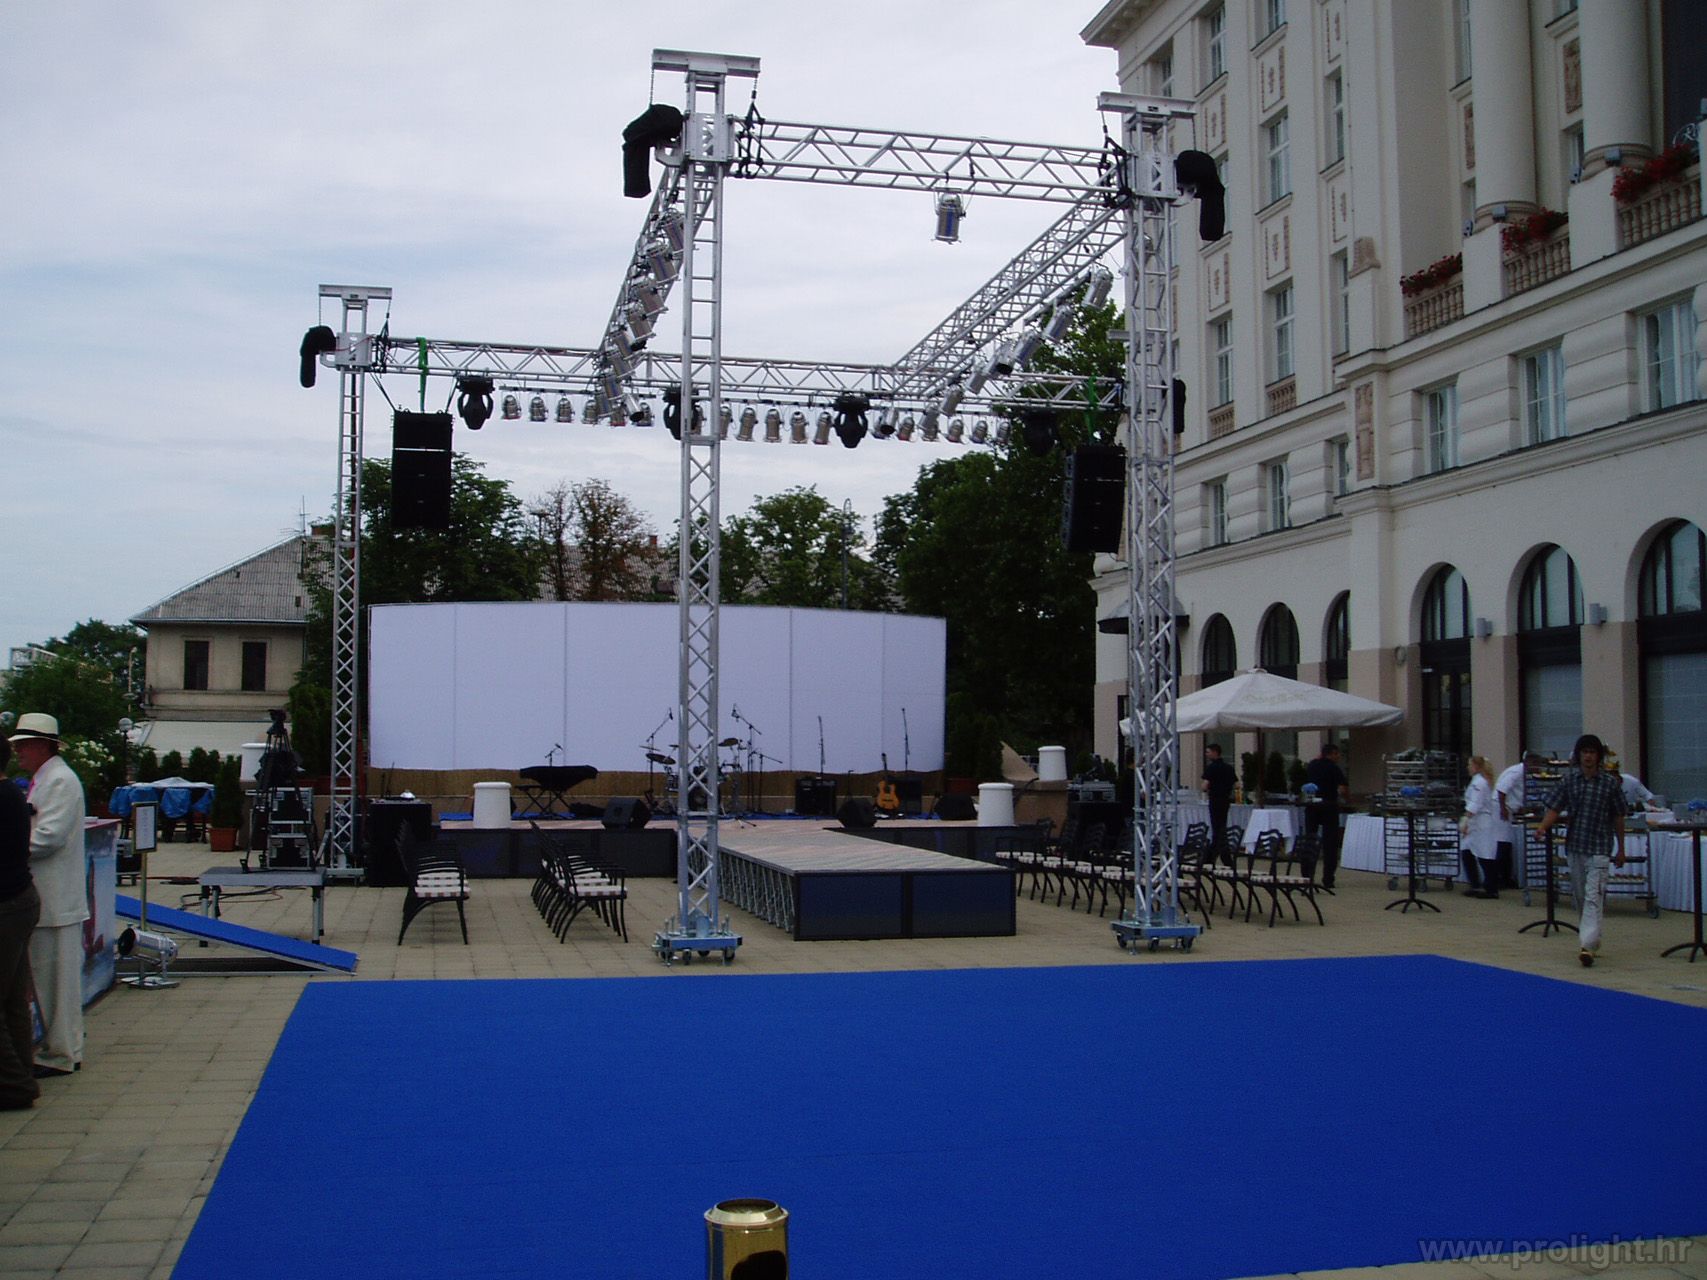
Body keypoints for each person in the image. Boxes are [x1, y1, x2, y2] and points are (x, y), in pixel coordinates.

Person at [11, 714, 87, 1077]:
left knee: (56, 985)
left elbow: (49, 837)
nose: (18, 752)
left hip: (55, 899)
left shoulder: (59, 780)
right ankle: (63, 1048)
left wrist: (10, 846)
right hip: (50, 897)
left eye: (23, 745)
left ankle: (62, 1053)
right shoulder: (49, 778)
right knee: (52, 983)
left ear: (43, 745)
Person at [1536, 732, 1627, 968]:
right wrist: (1543, 827)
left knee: (1594, 896)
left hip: (1600, 847)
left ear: (1599, 757)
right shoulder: (1569, 781)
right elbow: (1554, 807)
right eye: (1584, 752)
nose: (1588, 757)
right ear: (1578, 755)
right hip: (1576, 846)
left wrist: (1621, 848)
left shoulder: (1610, 784)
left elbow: (1619, 816)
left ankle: (1587, 945)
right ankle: (1592, 939)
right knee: (1580, 896)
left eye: (1592, 752)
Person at [0, 735, 41, 1110]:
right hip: (19, 899)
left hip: (7, 905)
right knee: (13, 999)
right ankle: (21, 1075)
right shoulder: (13, 794)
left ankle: (14, 1083)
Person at [1494, 751, 1545, 892]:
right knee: (1503, 842)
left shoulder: (1523, 774)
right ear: (1530, 762)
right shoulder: (1517, 772)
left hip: (1509, 808)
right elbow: (1501, 790)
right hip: (1501, 808)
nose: (1539, 769)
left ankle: (1506, 877)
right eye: (1537, 765)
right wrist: (1503, 808)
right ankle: (1501, 878)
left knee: (1507, 842)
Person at [1303, 742, 1350, 890]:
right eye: (1337, 754)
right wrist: (1343, 798)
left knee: (1310, 839)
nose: (1339, 756)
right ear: (1332, 754)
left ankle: (1306, 875)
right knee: (1330, 843)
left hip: (1312, 806)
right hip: (1329, 806)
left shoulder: (1312, 765)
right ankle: (1328, 878)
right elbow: (1342, 788)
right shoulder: (1333, 768)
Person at [1460, 755, 1501, 898]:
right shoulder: (1475, 781)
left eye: (1470, 765)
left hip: (1482, 821)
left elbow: (1475, 803)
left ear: (1476, 767)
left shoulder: (1480, 783)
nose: (1468, 767)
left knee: (1485, 855)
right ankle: (1475, 884)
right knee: (1466, 852)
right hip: (1475, 822)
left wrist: (1466, 819)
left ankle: (1491, 888)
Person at [1201, 743, 1236, 857]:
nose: (1206, 754)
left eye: (1208, 752)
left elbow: (1204, 786)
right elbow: (1236, 784)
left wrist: (1206, 789)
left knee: (1216, 826)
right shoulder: (1229, 768)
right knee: (1222, 825)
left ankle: (1215, 852)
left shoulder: (1211, 768)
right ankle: (1221, 852)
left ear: (1215, 752)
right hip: (1225, 800)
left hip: (1215, 800)